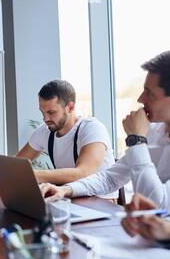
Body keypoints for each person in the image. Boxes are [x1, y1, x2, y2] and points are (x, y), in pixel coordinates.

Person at [40, 51, 170, 212]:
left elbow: (158, 206)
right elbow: (110, 177)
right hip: (146, 232)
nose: (140, 99)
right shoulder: (153, 132)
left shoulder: (141, 136)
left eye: (149, 93)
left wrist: (136, 141)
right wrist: (65, 190)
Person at [11, 80, 117, 200]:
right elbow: (18, 162)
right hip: (67, 197)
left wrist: (31, 175)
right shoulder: (45, 130)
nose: (45, 118)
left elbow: (82, 173)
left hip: (101, 202)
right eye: (42, 112)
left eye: (51, 112)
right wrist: (3, 168)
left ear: (70, 107)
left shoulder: (92, 128)